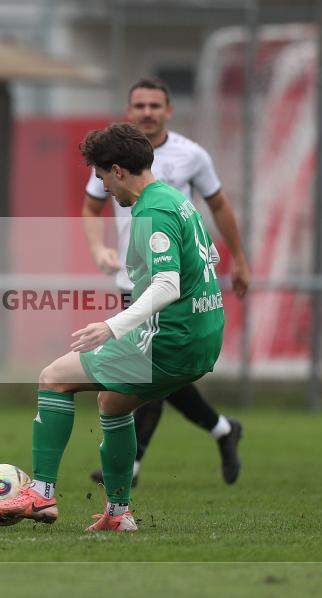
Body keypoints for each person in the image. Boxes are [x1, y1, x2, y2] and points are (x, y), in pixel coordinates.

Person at [0, 123, 225, 531]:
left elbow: (167, 285)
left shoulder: (151, 211)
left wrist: (112, 326)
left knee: (53, 378)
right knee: (113, 404)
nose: (104, 188)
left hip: (169, 341)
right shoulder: (175, 199)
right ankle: (118, 514)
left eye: (101, 177)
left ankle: (41, 495)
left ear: (117, 171)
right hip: (203, 339)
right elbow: (210, 257)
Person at [82, 78, 247, 488]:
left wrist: (239, 257)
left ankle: (133, 463)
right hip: (132, 278)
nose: (147, 112)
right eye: (139, 105)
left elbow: (218, 206)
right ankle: (222, 429)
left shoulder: (191, 155)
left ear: (168, 110)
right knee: (156, 371)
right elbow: (91, 206)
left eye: (155, 105)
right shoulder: (113, 155)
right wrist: (98, 249)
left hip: (170, 278)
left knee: (148, 370)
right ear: (129, 110)